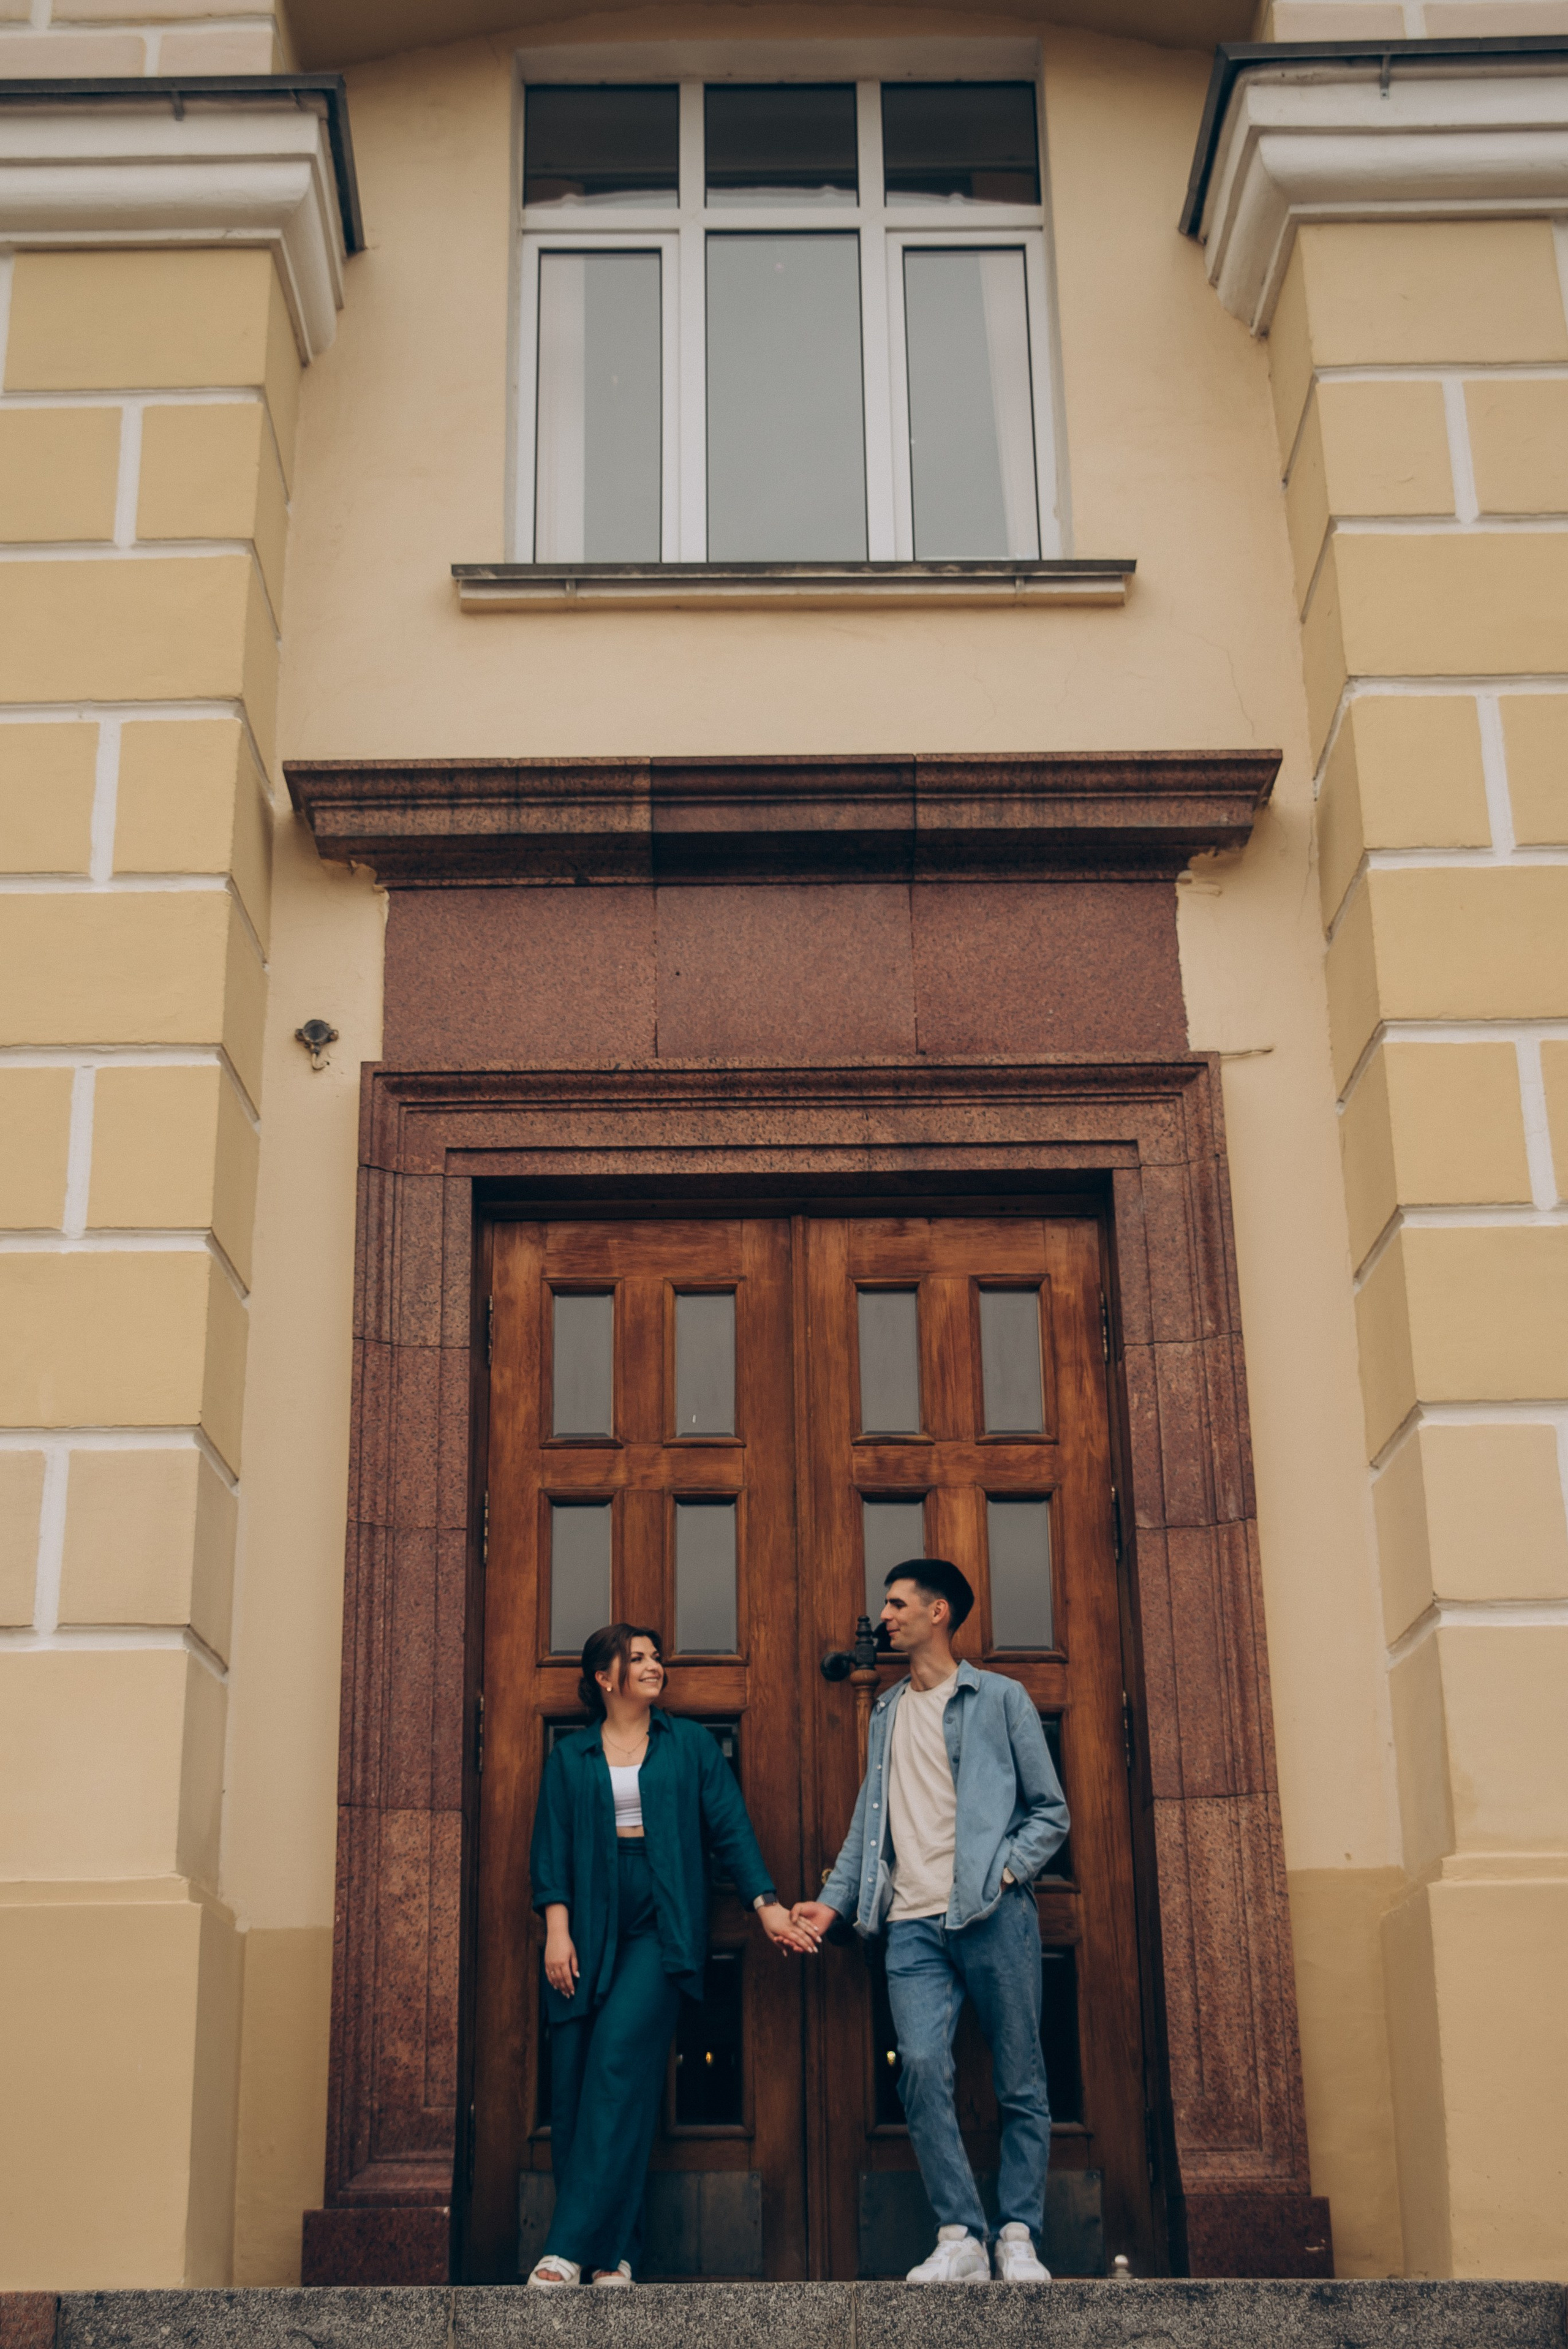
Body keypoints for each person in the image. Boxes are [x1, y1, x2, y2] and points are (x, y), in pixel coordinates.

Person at [792, 1559, 1069, 2286]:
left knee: (1020, 2078)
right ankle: (960, 2235)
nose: (884, 1616)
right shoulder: (886, 1710)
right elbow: (868, 1822)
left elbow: (1050, 1812)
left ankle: (1017, 2233)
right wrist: (837, 1898)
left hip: (990, 1914)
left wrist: (1003, 1872)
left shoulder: (1000, 1699)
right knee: (919, 2067)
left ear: (938, 1611)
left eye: (896, 1603)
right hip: (909, 1924)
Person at [526, 1621, 815, 2288]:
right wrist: (557, 1929)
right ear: (605, 1678)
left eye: (657, 1657)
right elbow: (552, 1849)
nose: (656, 1666)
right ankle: (617, 2252)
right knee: (575, 2087)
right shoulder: (570, 1757)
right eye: (639, 1658)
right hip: (588, 1920)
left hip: (663, 1918)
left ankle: (566, 2248)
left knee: (617, 2067)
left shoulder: (687, 1745)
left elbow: (729, 1828)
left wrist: (765, 1904)